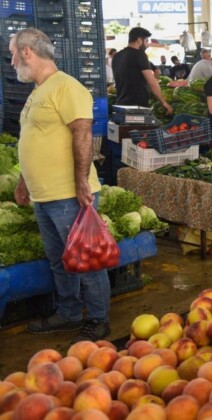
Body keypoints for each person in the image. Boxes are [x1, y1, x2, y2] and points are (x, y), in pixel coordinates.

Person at [12, 29, 112, 343]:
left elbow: (82, 132)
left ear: (28, 52)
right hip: (44, 196)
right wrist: (23, 180)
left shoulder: (67, 87)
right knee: (59, 261)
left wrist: (82, 181)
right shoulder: (38, 91)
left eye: (13, 54)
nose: (12, 60)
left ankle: (99, 319)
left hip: (69, 195)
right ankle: (68, 314)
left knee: (87, 260)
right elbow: (33, 140)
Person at [112, 27, 172, 113]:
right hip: (136, 106)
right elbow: (152, 83)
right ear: (139, 40)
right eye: (146, 41)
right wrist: (164, 103)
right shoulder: (139, 54)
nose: (147, 45)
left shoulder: (117, 56)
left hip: (120, 105)